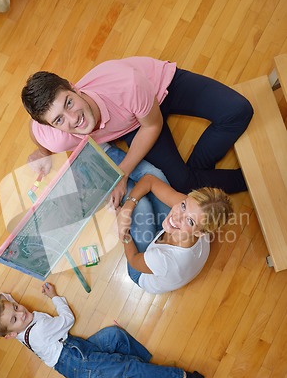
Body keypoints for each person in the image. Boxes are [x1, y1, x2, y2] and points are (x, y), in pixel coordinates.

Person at [21, 56, 253, 208]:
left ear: (74, 88)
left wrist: (122, 173)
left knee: (239, 110)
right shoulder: (55, 135)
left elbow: (153, 124)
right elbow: (36, 133)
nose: (74, 119)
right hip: (134, 124)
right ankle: (249, 177)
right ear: (51, 126)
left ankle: (197, 172)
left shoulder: (126, 83)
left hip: (161, 86)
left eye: (69, 103)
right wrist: (42, 153)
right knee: (183, 183)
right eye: (59, 119)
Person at [0, 283, 204, 378]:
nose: (22, 313)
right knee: (127, 365)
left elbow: (5, 301)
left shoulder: (16, 332)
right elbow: (67, 318)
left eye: (16, 307)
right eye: (15, 318)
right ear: (11, 334)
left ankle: (146, 376)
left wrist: (4, 303)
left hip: (78, 350)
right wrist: (54, 297)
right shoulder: (39, 330)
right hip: (79, 364)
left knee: (115, 336)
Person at [117, 174, 233, 294]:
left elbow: (133, 259)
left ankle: (116, 178)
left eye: (190, 221)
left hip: (142, 271)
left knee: (141, 205)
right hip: (168, 241)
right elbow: (149, 180)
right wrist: (127, 207)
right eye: (183, 206)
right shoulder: (200, 213)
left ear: (200, 233)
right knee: (152, 174)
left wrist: (125, 233)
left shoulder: (163, 259)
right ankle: (119, 175)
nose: (177, 217)